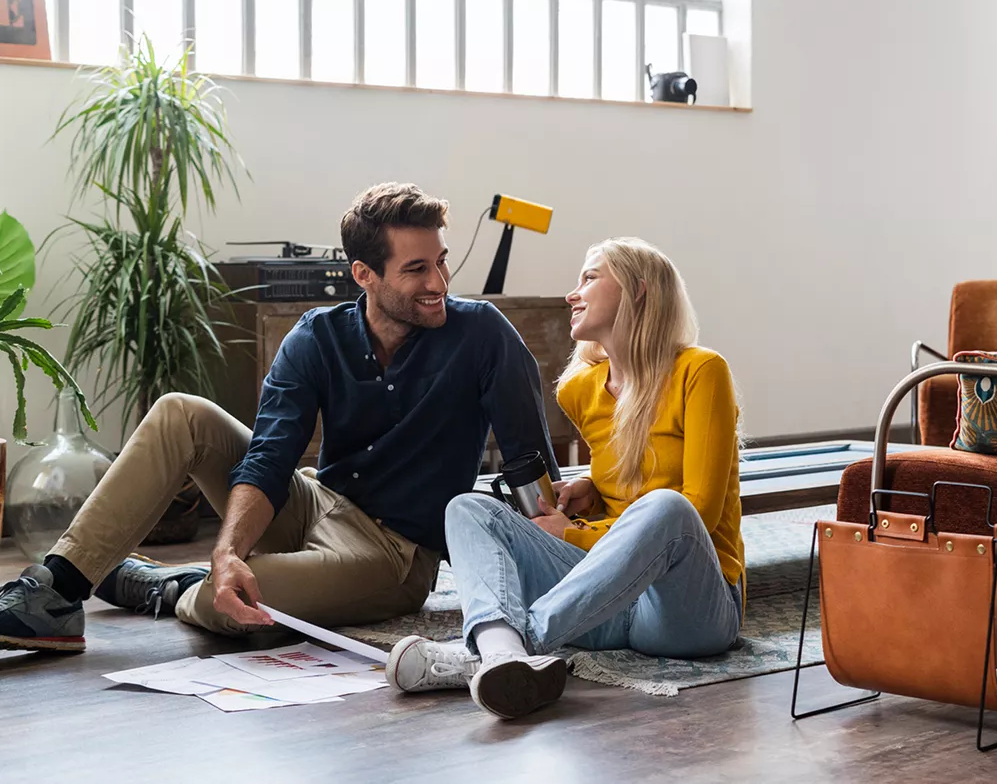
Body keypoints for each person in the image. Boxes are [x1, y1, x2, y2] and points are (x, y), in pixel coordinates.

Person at [0, 182, 558, 652]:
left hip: (392, 553)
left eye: (440, 262)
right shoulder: (317, 335)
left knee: (245, 602)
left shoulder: (482, 333)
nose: (438, 283)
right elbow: (270, 454)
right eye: (416, 269)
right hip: (314, 498)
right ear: (363, 274)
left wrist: (558, 546)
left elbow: (529, 460)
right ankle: (56, 590)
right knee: (181, 413)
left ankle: (168, 589)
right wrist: (227, 549)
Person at [386, 237, 744, 721]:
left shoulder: (701, 372)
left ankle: (499, 650)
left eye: (590, 278)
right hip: (609, 603)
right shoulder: (582, 389)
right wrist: (590, 492)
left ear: (639, 291)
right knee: (466, 507)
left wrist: (574, 532)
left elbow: (696, 509)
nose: (572, 294)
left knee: (669, 508)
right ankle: (500, 652)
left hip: (687, 610)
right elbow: (630, 468)